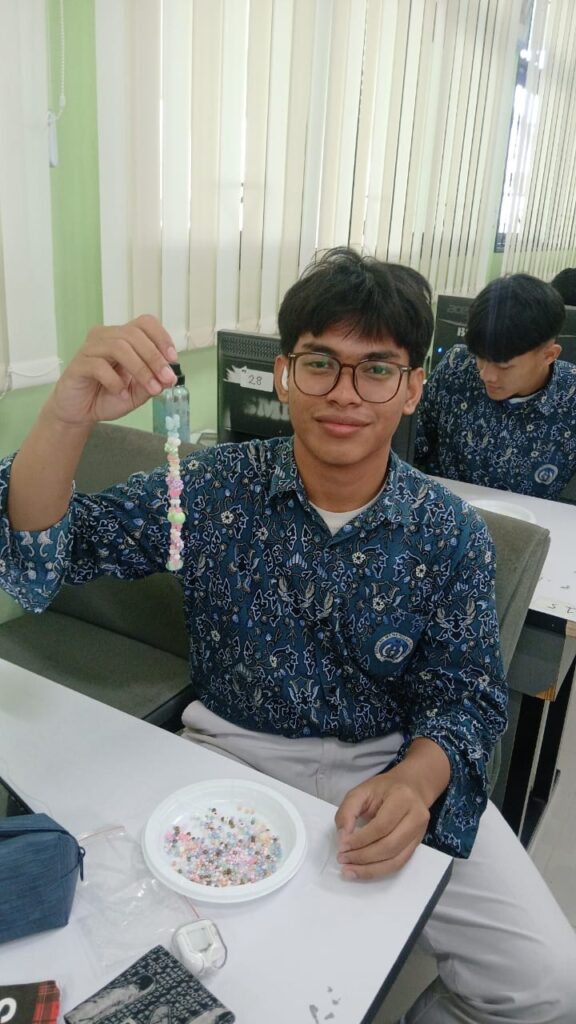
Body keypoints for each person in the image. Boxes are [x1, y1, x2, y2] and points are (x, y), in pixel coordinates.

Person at [1, 248, 575, 1023]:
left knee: (549, 983)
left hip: (386, 761)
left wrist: (417, 781)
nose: (345, 393)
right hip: (228, 752)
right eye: (320, 363)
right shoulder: (212, 488)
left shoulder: (451, 535)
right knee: (182, 971)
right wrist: (68, 412)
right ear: (282, 374)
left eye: (377, 369)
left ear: (413, 387)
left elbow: (468, 696)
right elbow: (47, 555)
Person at [414, 273, 576, 498]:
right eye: (480, 357)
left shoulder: (571, 396)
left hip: (527, 517)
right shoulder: (456, 366)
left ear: (549, 356)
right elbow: (413, 445)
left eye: (504, 366)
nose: (486, 375)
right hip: (442, 508)